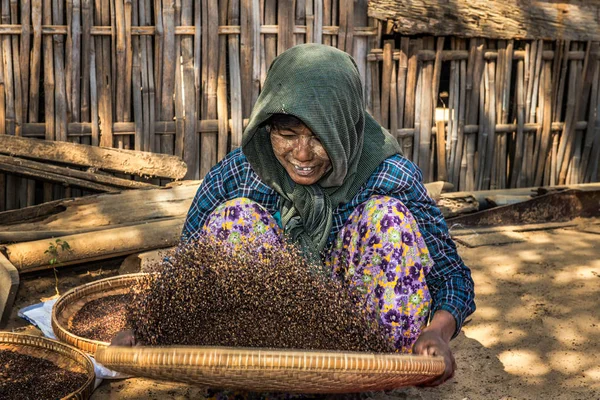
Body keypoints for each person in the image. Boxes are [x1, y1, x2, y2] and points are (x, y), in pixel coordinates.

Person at [113, 43, 475, 388]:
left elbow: (452, 277)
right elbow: (184, 272)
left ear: (346, 127)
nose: (302, 154)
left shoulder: (388, 175)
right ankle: (257, 377)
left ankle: (361, 378)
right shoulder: (240, 173)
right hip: (262, 354)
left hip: (362, 356)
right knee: (234, 219)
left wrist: (435, 333)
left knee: (389, 219)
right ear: (267, 126)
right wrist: (142, 329)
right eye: (287, 134)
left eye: (320, 138)